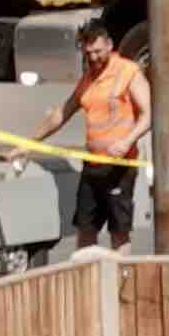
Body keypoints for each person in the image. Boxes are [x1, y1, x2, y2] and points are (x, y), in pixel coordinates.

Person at [55, 21, 147, 250]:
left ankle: (120, 283)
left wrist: (127, 141)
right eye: (88, 53)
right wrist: (28, 144)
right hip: (93, 165)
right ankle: (89, 282)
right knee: (85, 232)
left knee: (119, 233)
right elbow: (61, 113)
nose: (94, 57)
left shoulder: (128, 71)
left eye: (98, 51)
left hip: (120, 166)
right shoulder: (88, 78)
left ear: (109, 45)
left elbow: (149, 114)